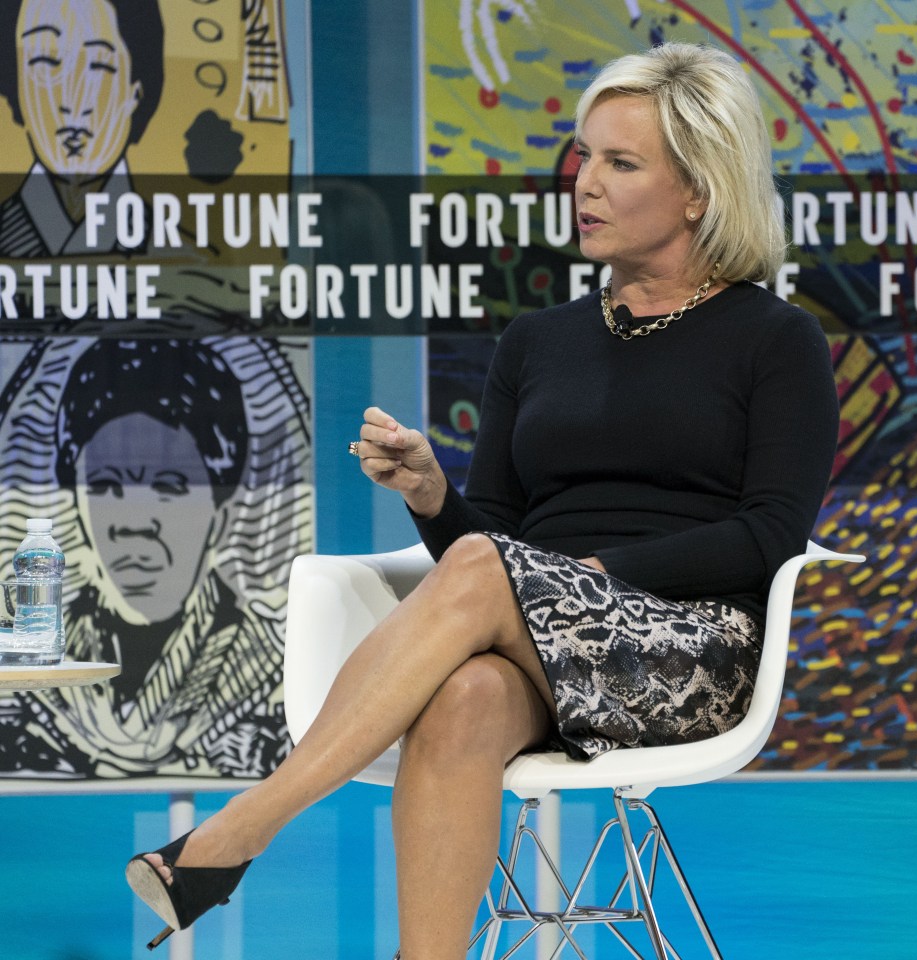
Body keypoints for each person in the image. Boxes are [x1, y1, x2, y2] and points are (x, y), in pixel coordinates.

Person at [126, 42, 839, 957]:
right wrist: (433, 496)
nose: (585, 183)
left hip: (688, 646)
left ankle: (237, 833)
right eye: (584, 156)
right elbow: (495, 541)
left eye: (622, 163)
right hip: (540, 628)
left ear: (698, 189)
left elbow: (772, 532)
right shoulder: (540, 341)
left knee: (482, 574)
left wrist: (589, 574)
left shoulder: (776, 341)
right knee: (462, 696)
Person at [0, 337, 308, 777]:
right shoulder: (35, 680)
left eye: (168, 486)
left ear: (221, 514)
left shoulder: (271, 674)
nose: (132, 523)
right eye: (106, 486)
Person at [0, 0, 164, 256]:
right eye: (44, 62)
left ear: (136, 91)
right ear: (16, 83)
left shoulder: (193, 265)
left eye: (99, 66)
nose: (72, 101)